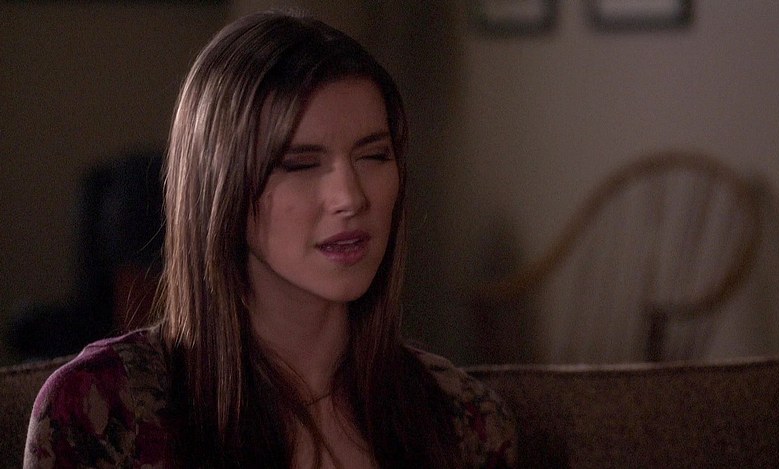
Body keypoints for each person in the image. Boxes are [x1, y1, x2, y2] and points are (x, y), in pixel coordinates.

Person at [24, 10, 516, 468]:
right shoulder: (101, 409)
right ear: (221, 187)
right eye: (300, 164)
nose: (350, 198)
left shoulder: (464, 420)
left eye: (373, 156)